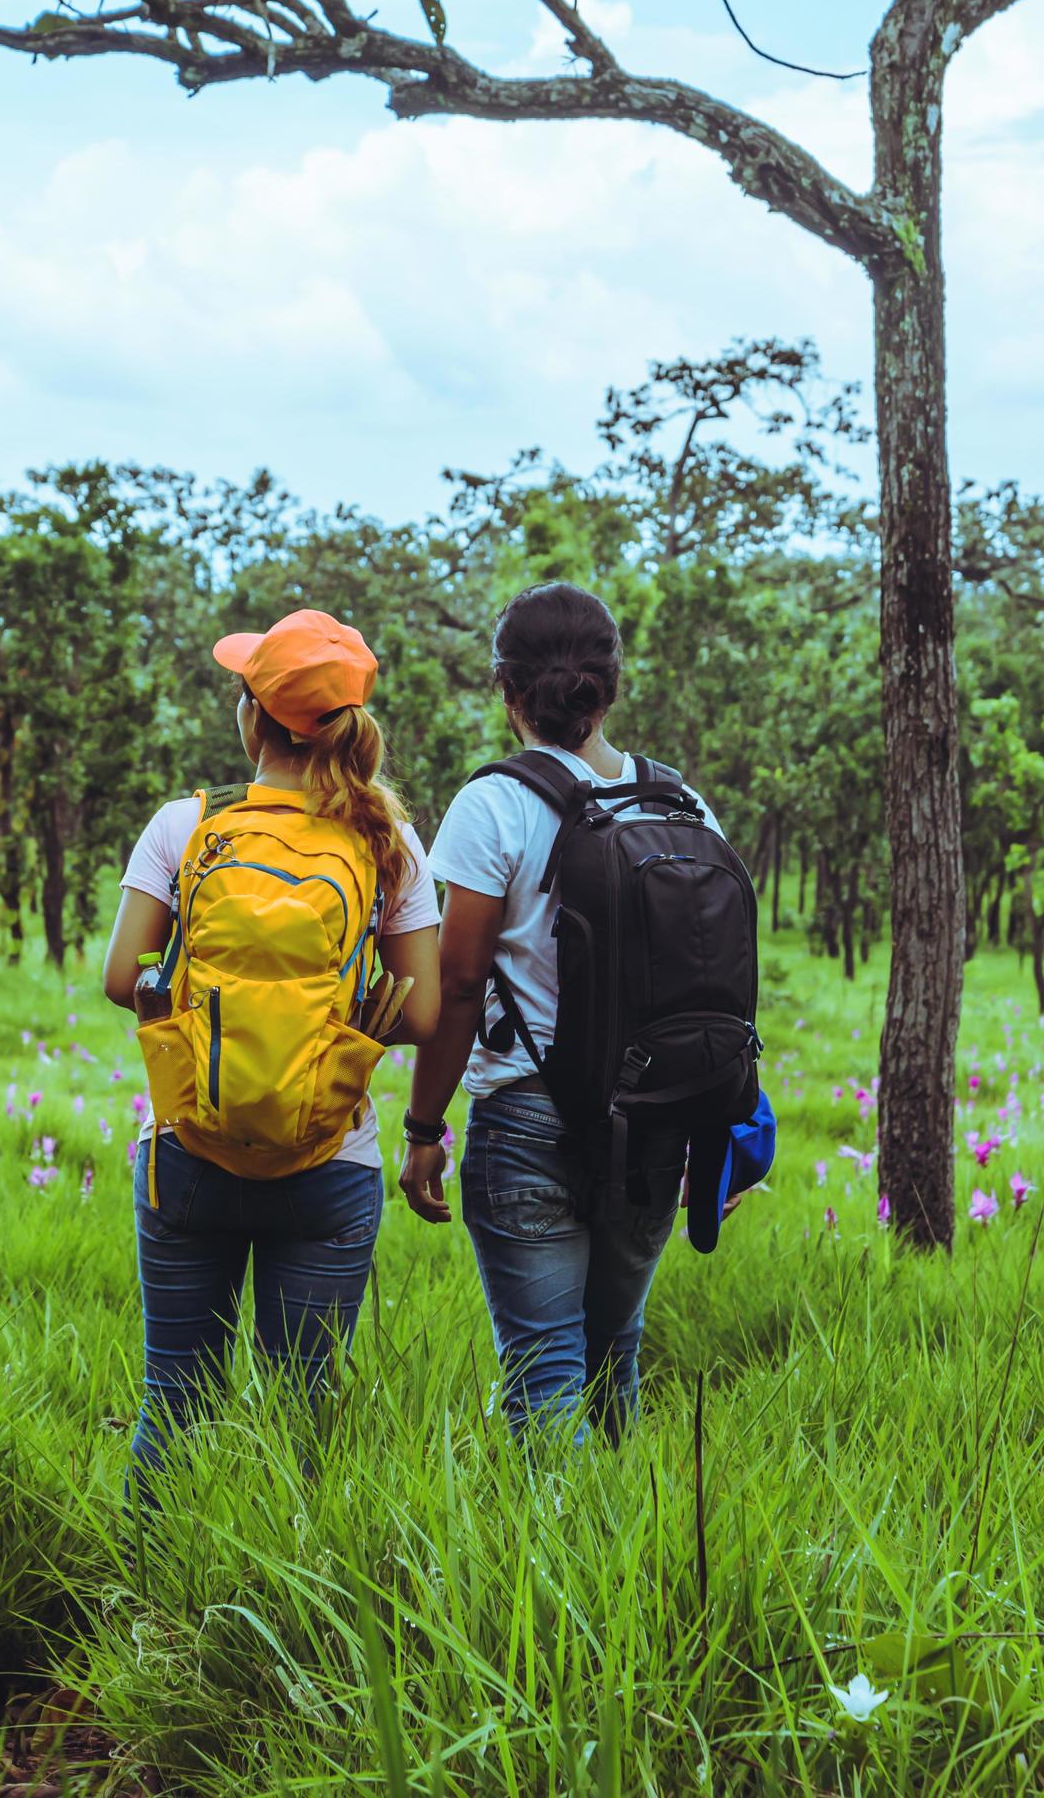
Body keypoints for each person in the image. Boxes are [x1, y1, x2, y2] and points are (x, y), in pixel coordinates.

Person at [102, 608, 438, 1485]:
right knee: (301, 1418)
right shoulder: (387, 840)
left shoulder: (188, 824)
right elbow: (427, 1011)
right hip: (331, 1159)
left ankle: (145, 1603)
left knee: (173, 1401)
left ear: (254, 718)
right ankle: (284, 1608)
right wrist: (333, 1035)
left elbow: (119, 976)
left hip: (188, 1150)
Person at [400, 582, 731, 1441]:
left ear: (503, 685)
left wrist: (423, 1126)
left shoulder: (496, 803)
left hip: (528, 1117)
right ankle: (624, 1560)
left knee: (546, 1376)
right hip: (657, 1122)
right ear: (613, 683)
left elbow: (461, 981)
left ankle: (557, 1571)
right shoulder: (683, 804)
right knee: (613, 1355)